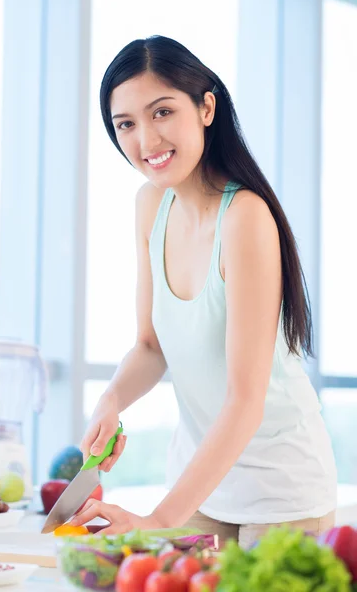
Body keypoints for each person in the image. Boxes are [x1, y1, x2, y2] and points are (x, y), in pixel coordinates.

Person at [71, 35, 337, 548]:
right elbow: (150, 346)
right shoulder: (151, 206)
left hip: (282, 495)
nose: (146, 140)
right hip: (201, 485)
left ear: (206, 107)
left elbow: (245, 401)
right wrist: (111, 399)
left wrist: (157, 518)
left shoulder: (245, 219)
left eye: (162, 112)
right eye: (125, 124)